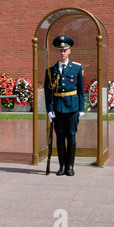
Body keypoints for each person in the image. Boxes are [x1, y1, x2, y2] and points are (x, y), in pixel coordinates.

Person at [44, 35, 85, 176]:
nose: (62, 53)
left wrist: (81, 108)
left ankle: (70, 167)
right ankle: (62, 166)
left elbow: (81, 90)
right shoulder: (50, 70)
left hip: (72, 107)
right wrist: (49, 110)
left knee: (71, 136)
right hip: (58, 108)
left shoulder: (77, 68)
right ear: (57, 52)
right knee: (60, 137)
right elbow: (48, 93)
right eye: (60, 50)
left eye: (65, 50)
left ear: (69, 51)